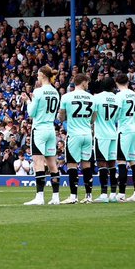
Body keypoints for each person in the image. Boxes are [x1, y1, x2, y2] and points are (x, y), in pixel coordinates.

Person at [21, 66, 63, 205]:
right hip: (51, 128)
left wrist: (27, 101)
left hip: (39, 129)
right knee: (52, 164)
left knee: (38, 162)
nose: (37, 77)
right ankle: (56, 197)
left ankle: (39, 197)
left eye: (38, 75)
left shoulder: (38, 92)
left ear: (42, 75)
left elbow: (32, 113)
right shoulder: (56, 92)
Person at [59, 73, 96, 204]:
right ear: (83, 82)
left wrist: (68, 117)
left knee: (72, 165)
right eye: (87, 82)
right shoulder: (92, 98)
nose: (88, 84)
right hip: (87, 134)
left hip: (74, 134)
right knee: (86, 164)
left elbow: (61, 117)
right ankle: (88, 196)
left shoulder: (66, 97)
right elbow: (93, 119)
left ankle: (73, 196)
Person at [91, 77, 121, 202]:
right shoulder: (117, 99)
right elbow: (117, 117)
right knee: (112, 164)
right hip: (113, 133)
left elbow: (93, 116)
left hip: (101, 134)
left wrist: (92, 123)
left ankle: (103, 194)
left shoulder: (97, 98)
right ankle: (113, 194)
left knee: (101, 164)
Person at [115, 74, 135, 202]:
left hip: (124, 129)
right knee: (133, 162)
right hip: (133, 129)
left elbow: (116, 113)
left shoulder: (119, 95)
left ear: (117, 83)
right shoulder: (133, 94)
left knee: (121, 161)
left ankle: (121, 194)